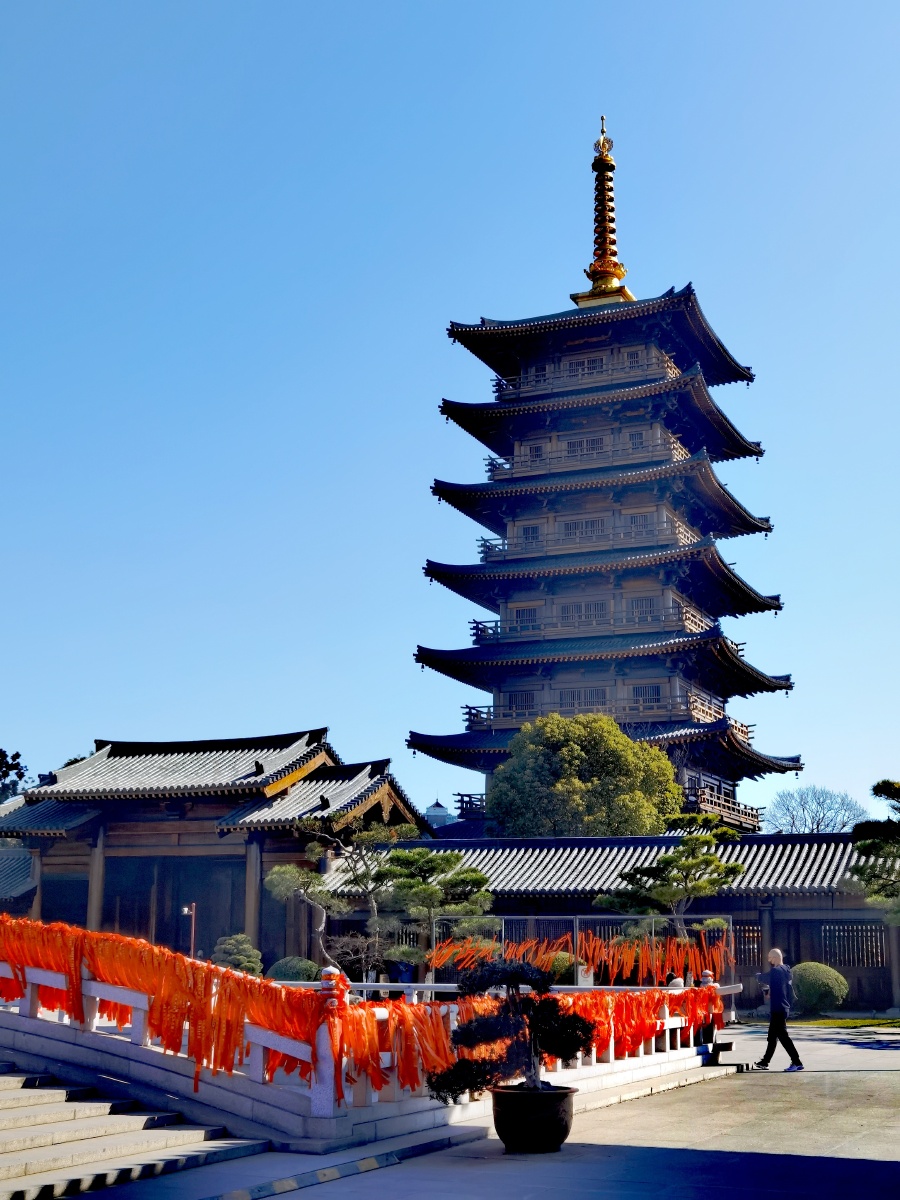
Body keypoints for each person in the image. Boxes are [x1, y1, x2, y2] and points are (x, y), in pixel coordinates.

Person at [754, 948, 804, 1072]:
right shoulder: (786, 970)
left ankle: (797, 1062)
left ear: (775, 957)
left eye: (770, 958)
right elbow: (776, 984)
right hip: (783, 1006)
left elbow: (765, 978)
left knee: (783, 1037)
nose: (769, 961)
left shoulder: (776, 971)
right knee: (772, 1036)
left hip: (778, 1008)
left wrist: (757, 976)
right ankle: (765, 1061)